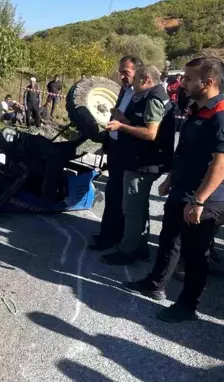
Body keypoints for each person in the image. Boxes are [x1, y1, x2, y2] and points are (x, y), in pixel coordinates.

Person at [126, 57, 224, 323]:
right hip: (182, 189)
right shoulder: (196, 109)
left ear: (209, 82)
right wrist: (171, 178)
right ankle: (155, 284)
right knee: (170, 240)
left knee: (195, 253)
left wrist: (200, 200)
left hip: (206, 198)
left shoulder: (220, 113)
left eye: (190, 79)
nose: (183, 83)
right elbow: (185, 149)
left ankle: (187, 305)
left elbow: (220, 162)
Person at [100, 65, 175, 265]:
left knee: (132, 209)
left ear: (146, 79)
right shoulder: (153, 95)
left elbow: (151, 133)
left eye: (136, 79)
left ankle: (127, 251)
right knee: (140, 206)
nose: (132, 83)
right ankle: (141, 247)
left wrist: (121, 126)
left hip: (142, 162)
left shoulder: (153, 99)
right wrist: (125, 118)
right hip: (142, 160)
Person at [90, 55, 144, 251]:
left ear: (137, 72)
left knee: (116, 195)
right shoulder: (125, 90)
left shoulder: (142, 94)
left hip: (126, 152)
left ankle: (109, 238)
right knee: (114, 194)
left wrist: (123, 121)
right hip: (115, 148)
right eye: (121, 72)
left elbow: (143, 128)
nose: (122, 76)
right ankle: (110, 234)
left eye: (126, 73)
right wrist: (107, 142)